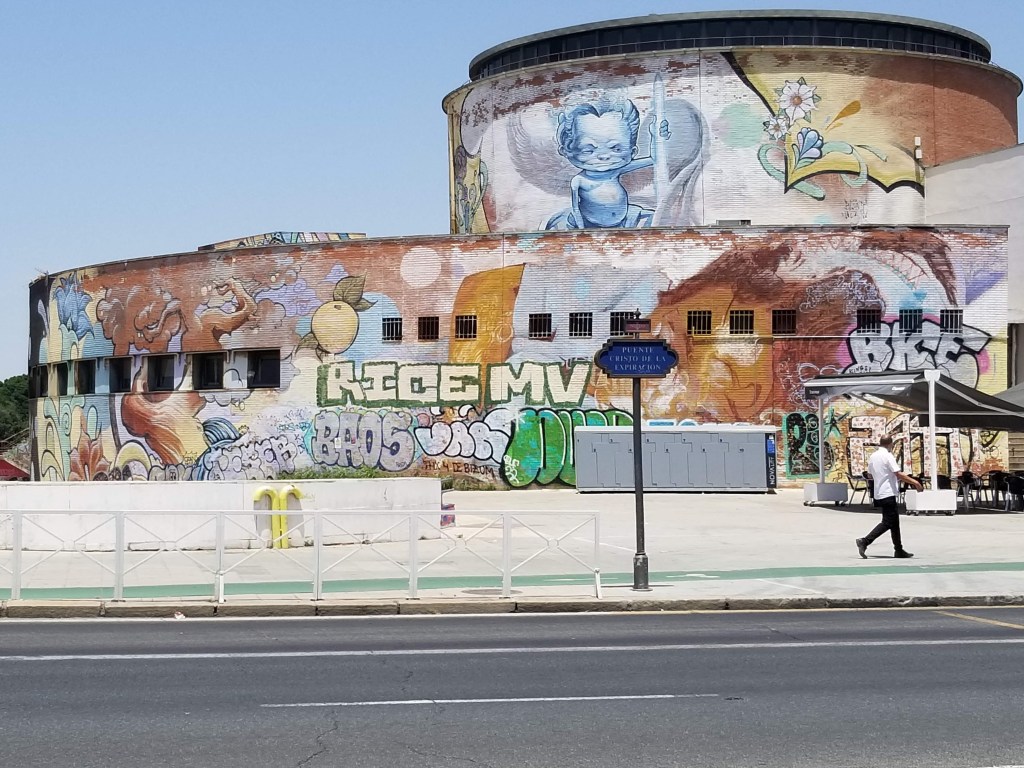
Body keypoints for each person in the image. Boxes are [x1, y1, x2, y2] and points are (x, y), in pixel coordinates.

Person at [857, 436, 922, 559]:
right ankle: (865, 541)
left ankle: (899, 550)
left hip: (879, 492)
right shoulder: (888, 456)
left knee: (894, 522)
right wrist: (915, 482)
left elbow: (870, 475)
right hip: (888, 493)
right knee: (888, 522)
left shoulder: (873, 456)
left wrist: (883, 476)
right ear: (890, 444)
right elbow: (898, 473)